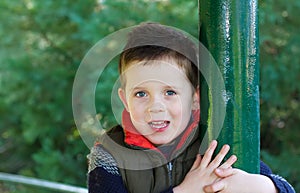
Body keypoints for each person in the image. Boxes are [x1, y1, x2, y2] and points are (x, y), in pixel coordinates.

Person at [87, 22, 295, 193]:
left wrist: (262, 186)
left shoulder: (214, 143)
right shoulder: (109, 154)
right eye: (141, 94)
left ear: (195, 98)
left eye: (170, 92)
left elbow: (285, 187)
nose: (155, 107)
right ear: (125, 100)